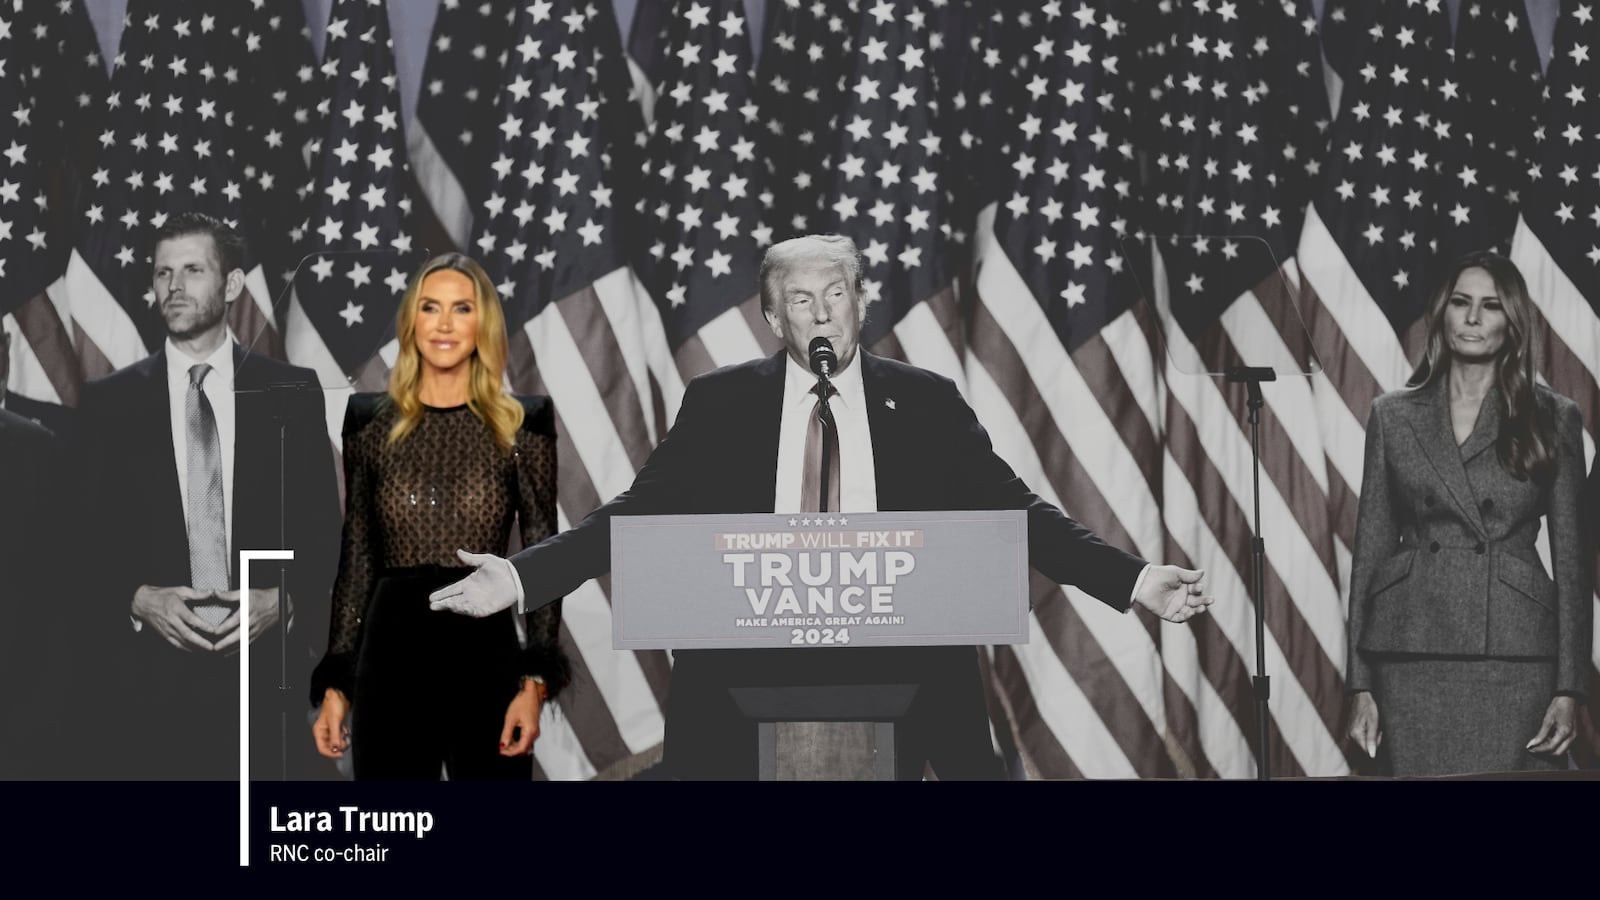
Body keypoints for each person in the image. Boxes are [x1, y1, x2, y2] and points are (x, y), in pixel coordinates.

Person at [429, 234, 1212, 780]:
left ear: (860, 305)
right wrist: (523, 579)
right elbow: (637, 514)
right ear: (774, 318)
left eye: (836, 294)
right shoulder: (722, 403)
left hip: (906, 668)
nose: (822, 312)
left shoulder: (926, 403)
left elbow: (1020, 513)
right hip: (745, 672)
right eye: (801, 299)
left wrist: (1134, 580)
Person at [71, 212, 341, 779]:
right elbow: (79, 543)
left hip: (267, 686)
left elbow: (322, 533)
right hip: (145, 694)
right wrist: (140, 599)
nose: (173, 286)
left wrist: (284, 599)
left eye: (193, 269)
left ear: (232, 285)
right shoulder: (108, 404)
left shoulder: (291, 392)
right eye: (163, 272)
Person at [308, 252, 569, 781]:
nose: (445, 324)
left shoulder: (524, 422)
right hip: (390, 652)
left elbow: (544, 553)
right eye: (430, 308)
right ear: (412, 322)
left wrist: (535, 685)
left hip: (485, 653)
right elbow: (357, 554)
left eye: (461, 309)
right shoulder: (367, 421)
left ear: (483, 323)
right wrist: (337, 682)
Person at [1345, 250, 1591, 776]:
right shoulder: (1392, 415)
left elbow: (1573, 567)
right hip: (1410, 650)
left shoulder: (1553, 417)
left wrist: (1570, 688)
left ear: (1513, 322)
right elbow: (1369, 554)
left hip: (1513, 651)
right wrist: (1360, 682)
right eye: (1461, 303)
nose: (1473, 318)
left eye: (1491, 306)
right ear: (1443, 313)